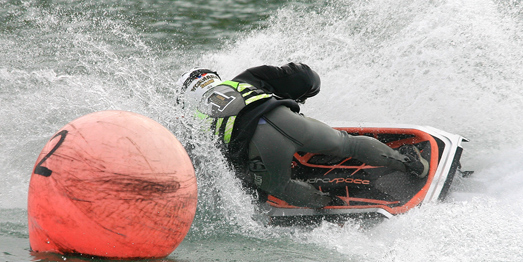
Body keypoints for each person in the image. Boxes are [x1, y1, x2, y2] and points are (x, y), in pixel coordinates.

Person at [176, 63, 429, 208]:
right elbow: (305, 77)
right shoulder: (242, 80)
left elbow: (217, 168)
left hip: (259, 149)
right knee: (346, 144)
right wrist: (302, 95)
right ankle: (411, 164)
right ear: (213, 77)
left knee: (279, 186)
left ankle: (328, 203)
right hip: (283, 118)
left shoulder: (195, 124)